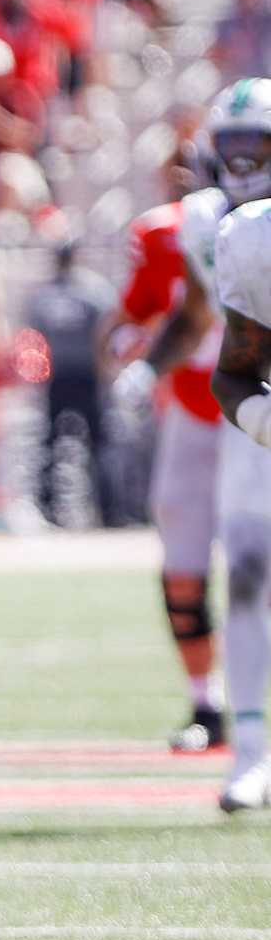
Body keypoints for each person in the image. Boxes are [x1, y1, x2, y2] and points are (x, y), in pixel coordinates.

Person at [114, 82, 271, 759]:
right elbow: (201, 316)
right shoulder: (208, 222)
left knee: (252, 567)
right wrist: (148, 368)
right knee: (210, 559)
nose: (241, 160)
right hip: (223, 405)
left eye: (254, 143)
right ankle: (222, 716)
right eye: (230, 144)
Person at [203, 83, 271, 812]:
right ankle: (250, 750)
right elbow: (234, 372)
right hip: (259, 446)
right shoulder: (250, 236)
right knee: (250, 575)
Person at [25, 242, 115, 527]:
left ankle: (106, 508)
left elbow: (106, 332)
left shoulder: (86, 292)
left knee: (95, 445)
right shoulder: (83, 293)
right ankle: (52, 508)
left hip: (81, 376)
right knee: (55, 443)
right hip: (66, 376)